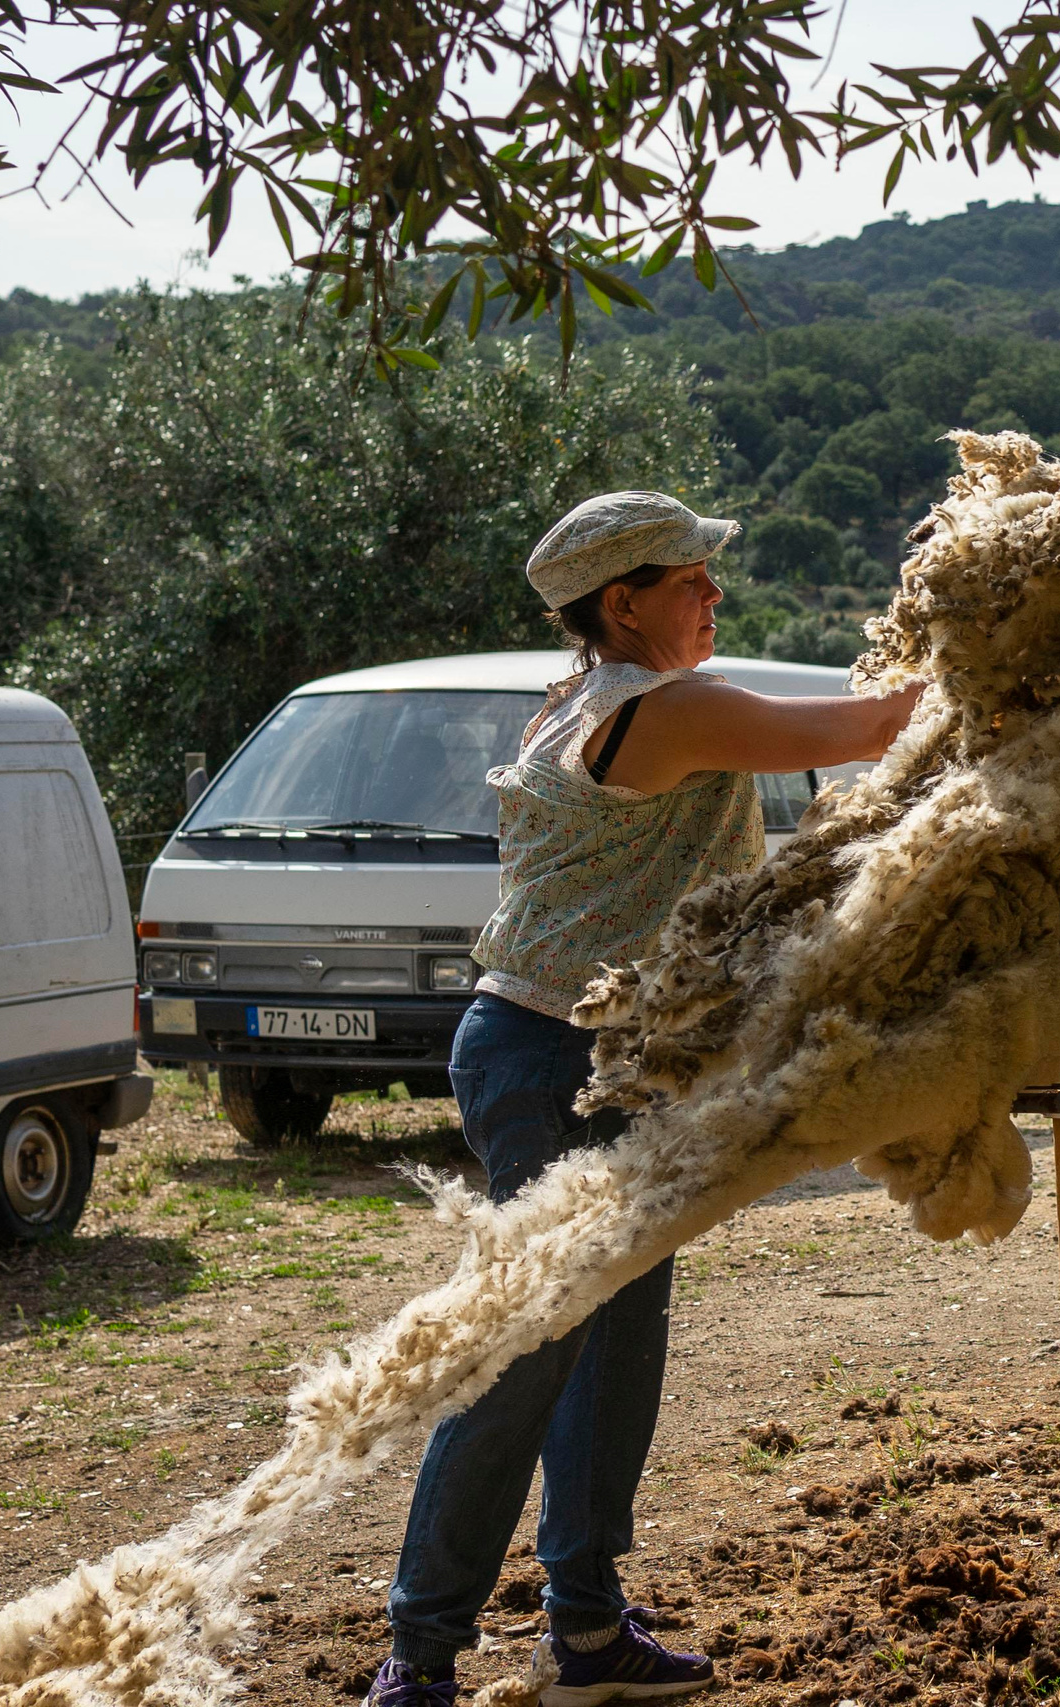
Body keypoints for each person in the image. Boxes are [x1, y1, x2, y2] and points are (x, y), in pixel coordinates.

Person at [365, 493, 922, 1707]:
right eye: (692, 579)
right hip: (559, 1060)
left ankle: (588, 1629)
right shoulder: (658, 709)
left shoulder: (579, 696)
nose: (715, 595)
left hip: (596, 1055)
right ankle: (418, 1655)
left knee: (617, 1347)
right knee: (528, 1350)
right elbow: (887, 721)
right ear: (622, 606)